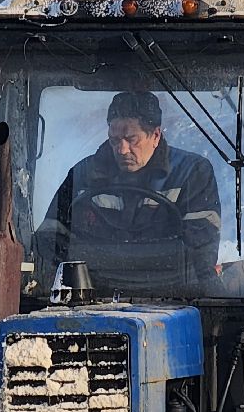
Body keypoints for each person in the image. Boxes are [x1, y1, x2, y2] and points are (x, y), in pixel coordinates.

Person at [34, 91, 222, 294]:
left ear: (156, 136)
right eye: (114, 140)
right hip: (91, 295)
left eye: (131, 139)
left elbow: (200, 251)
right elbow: (49, 242)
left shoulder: (191, 172)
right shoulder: (82, 175)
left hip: (172, 298)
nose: (122, 150)